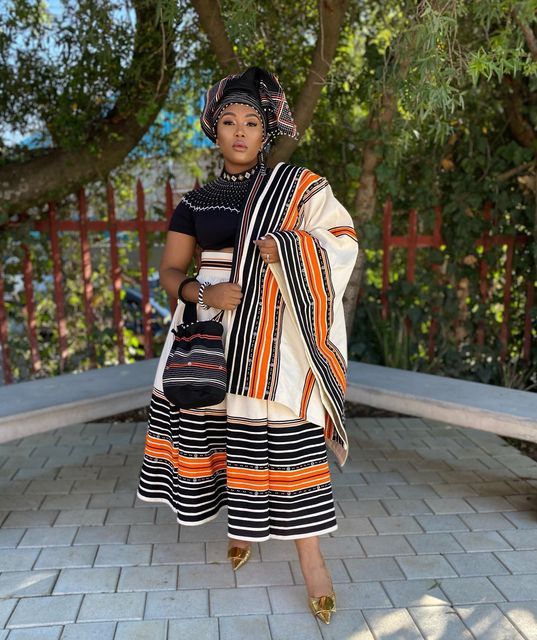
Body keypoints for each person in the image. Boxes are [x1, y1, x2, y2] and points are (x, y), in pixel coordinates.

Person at [137, 66, 359, 624]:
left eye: (252, 122)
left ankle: (313, 564)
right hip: (212, 332)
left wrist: (287, 246)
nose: (240, 131)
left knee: (288, 443)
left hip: (275, 340)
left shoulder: (296, 189)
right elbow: (168, 271)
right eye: (229, 121)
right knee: (223, 442)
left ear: (267, 131)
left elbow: (341, 239)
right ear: (215, 129)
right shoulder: (196, 199)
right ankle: (244, 529)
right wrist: (201, 290)